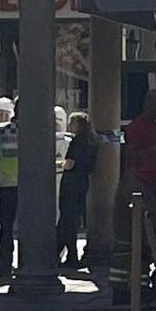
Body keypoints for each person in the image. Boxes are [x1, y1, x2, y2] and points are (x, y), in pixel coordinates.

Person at [123, 87, 156, 278]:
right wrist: (155, 151)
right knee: (151, 231)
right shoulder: (136, 127)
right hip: (140, 184)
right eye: (155, 104)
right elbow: (132, 155)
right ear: (146, 104)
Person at [56, 111, 99, 270]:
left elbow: (70, 163)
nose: (69, 126)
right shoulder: (93, 142)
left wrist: (58, 164)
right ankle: (62, 252)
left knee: (67, 219)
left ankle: (70, 255)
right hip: (83, 182)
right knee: (72, 219)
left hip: (70, 182)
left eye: (71, 123)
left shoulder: (77, 142)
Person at [0, 96, 21, 274]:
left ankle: (5, 260)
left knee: (6, 224)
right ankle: (32, 259)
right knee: (31, 224)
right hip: (32, 184)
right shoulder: (37, 131)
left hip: (7, 181)